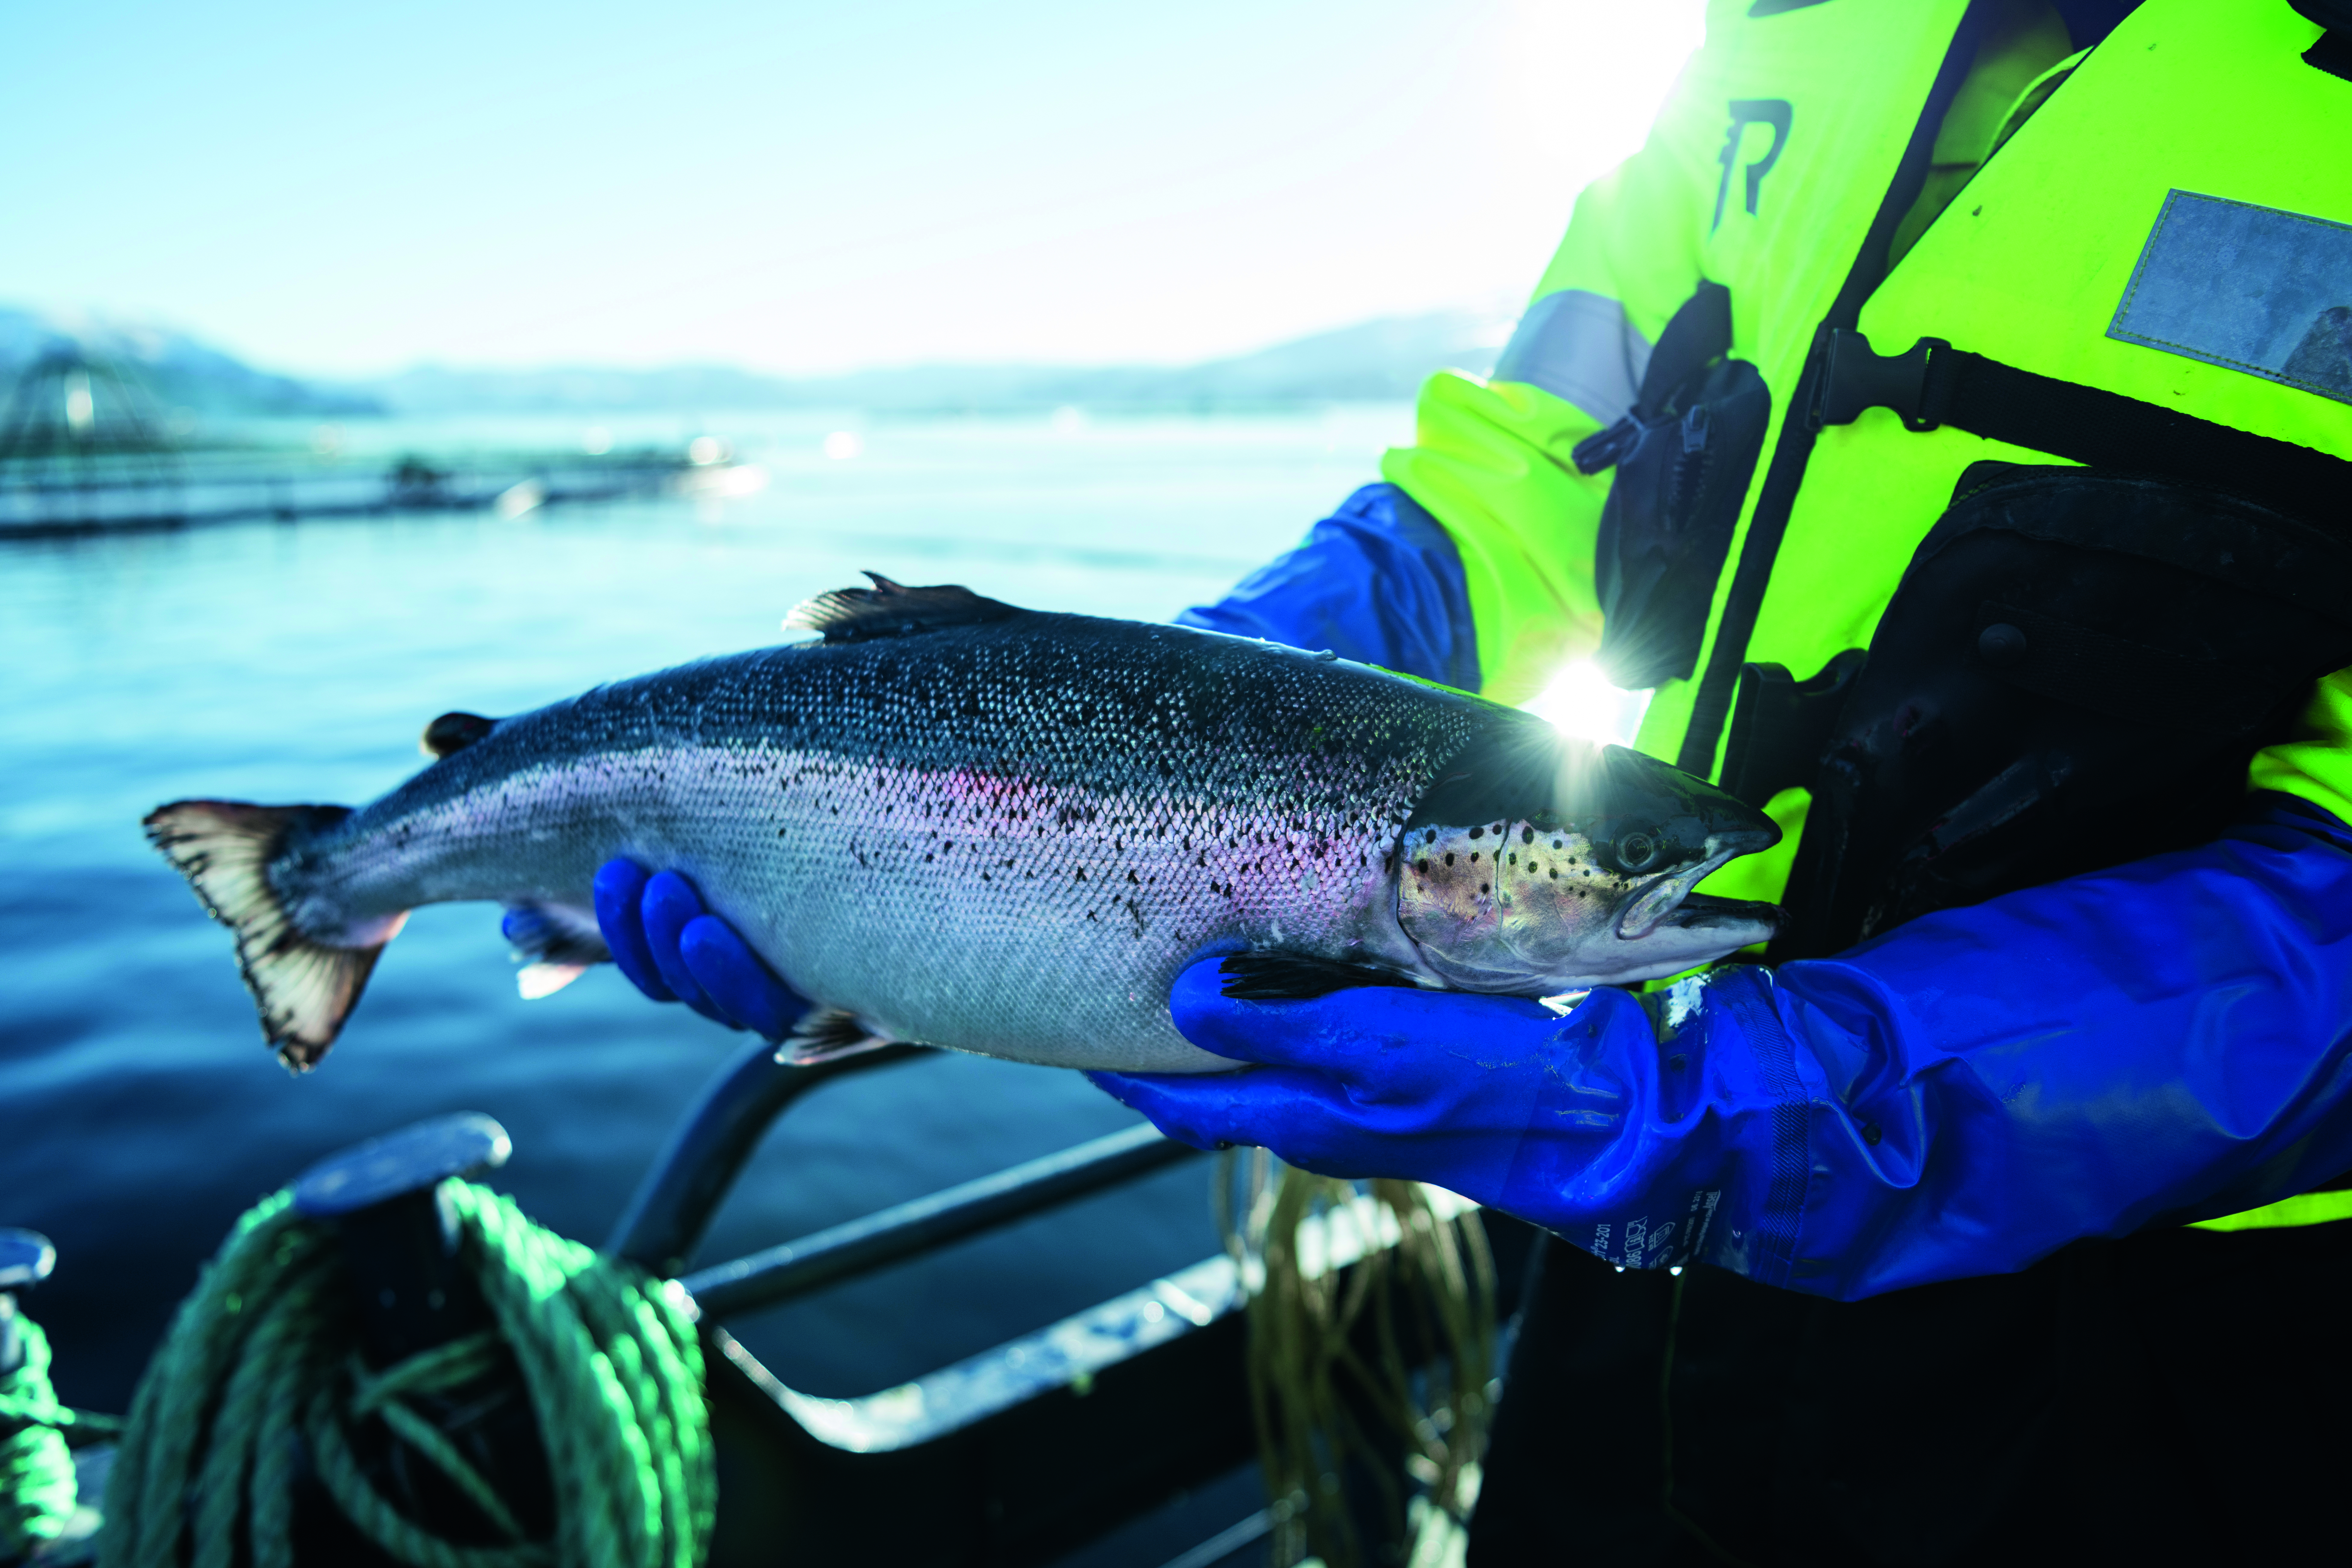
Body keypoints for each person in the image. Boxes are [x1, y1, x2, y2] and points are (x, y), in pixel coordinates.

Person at [576, 1, 2352, 1558]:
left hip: (2177, 1334)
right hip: (1633, 1271)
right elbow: (1500, 499)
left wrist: (1801, 1102)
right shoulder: (1774, 37)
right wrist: (1107, 739)